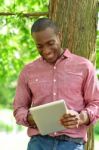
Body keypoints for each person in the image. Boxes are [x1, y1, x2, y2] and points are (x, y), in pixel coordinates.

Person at [13, 18, 99, 150]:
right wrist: (31, 118)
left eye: (50, 43)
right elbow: (19, 108)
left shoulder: (84, 66)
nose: (46, 50)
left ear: (59, 36)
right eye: (39, 46)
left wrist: (81, 117)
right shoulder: (28, 71)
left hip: (72, 144)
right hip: (38, 143)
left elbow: (96, 103)